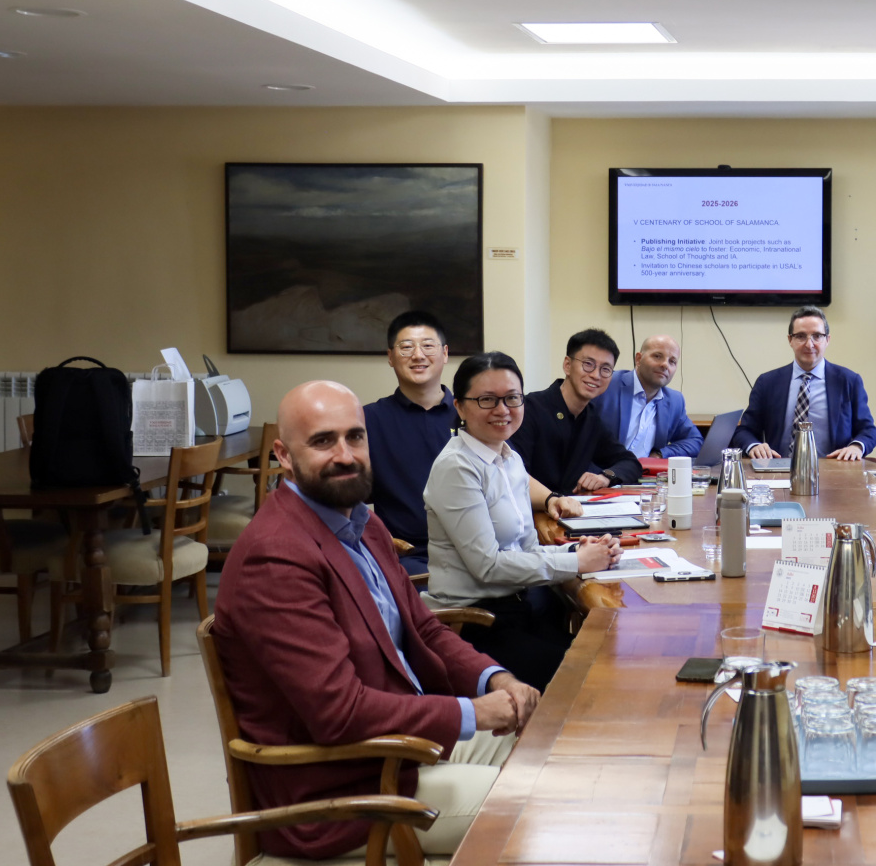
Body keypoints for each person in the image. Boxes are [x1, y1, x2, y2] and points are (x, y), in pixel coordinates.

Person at [212, 381, 538, 860]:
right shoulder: (276, 557)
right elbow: (338, 711)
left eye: (355, 437)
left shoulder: (361, 521)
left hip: (397, 747)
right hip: (339, 790)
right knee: (540, 805)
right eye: (323, 441)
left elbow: (424, 629)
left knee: (555, 750)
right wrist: (472, 714)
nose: (345, 454)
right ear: (283, 455)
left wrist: (495, 679)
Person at [425, 352, 622, 692]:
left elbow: (527, 546)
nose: (502, 410)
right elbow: (487, 567)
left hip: (520, 607)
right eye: (487, 400)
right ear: (459, 406)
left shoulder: (508, 457)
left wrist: (582, 549)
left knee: (608, 656)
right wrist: (575, 562)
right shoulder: (457, 467)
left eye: (512, 398)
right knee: (590, 679)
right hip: (474, 622)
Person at [363, 310, 458, 576]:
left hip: (475, 548)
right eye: (406, 347)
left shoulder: (472, 415)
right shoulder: (368, 419)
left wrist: (551, 499)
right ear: (390, 357)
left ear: (445, 353)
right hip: (404, 555)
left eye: (428, 346)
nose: (418, 355)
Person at [734, 306, 876, 462]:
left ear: (827, 340)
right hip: (779, 471)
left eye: (817, 336)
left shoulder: (849, 381)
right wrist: (754, 446)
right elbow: (744, 431)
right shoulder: (767, 382)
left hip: (833, 471)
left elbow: (868, 431)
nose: (809, 344)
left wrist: (856, 447)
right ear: (790, 340)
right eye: (801, 336)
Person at [509, 329, 644, 493]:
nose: (596, 375)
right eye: (588, 364)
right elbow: (515, 475)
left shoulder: (592, 419)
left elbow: (630, 462)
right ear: (567, 365)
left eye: (606, 369)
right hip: (532, 512)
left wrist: (605, 476)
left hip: (572, 513)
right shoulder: (530, 409)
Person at [588, 334, 703, 461]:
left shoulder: (674, 401)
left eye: (672, 361)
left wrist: (660, 454)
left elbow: (695, 441)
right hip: (601, 475)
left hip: (645, 477)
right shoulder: (606, 384)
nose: (665, 365)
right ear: (638, 359)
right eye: (657, 356)